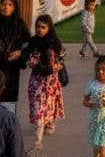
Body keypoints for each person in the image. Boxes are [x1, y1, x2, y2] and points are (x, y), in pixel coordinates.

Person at [22, 14, 66, 149]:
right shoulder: (33, 41)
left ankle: (38, 138)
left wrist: (58, 64)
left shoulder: (54, 43)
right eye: (37, 27)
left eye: (43, 27)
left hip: (50, 82)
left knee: (49, 105)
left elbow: (62, 57)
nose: (40, 30)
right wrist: (23, 57)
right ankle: (41, 127)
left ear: (49, 28)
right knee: (37, 107)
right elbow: (25, 54)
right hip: (36, 80)